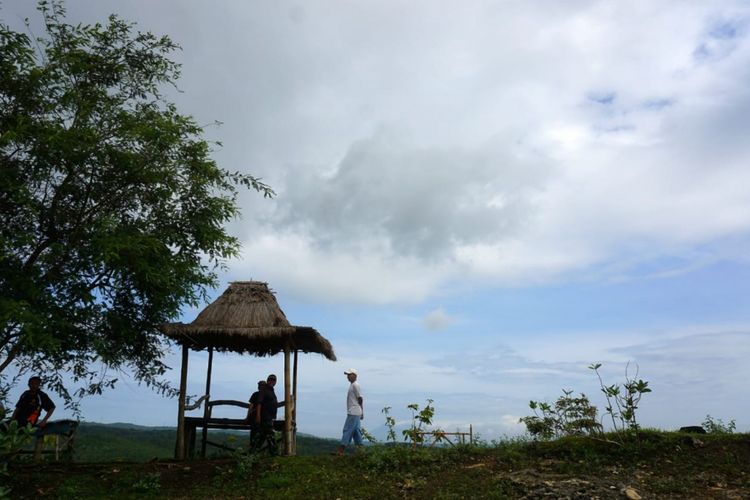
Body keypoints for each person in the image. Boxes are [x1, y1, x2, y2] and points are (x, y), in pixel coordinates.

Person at [253, 374, 284, 454]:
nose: (272, 381)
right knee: (270, 435)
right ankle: (274, 453)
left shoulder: (271, 391)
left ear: (275, 382)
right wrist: (258, 416)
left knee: (262, 437)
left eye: (273, 380)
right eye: (270, 380)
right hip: (264, 417)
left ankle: (252, 453)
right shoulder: (264, 390)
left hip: (269, 417)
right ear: (267, 380)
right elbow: (259, 403)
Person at [336, 368, 363, 456]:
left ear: (355, 375)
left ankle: (340, 451)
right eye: (347, 375)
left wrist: (362, 410)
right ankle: (361, 452)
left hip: (353, 411)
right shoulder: (352, 385)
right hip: (356, 412)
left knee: (347, 430)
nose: (347, 376)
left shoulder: (355, 385)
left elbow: (360, 398)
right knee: (356, 432)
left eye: (349, 374)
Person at [247, 380, 266, 449]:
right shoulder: (255, 394)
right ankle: (254, 448)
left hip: (262, 417)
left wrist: (248, 416)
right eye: (260, 385)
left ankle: (255, 448)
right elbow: (251, 406)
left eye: (262, 385)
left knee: (257, 433)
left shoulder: (264, 395)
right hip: (256, 417)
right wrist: (248, 416)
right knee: (255, 432)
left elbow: (251, 406)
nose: (260, 387)